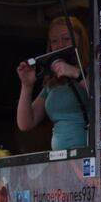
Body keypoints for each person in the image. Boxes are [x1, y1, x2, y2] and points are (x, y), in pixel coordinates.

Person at [15, 15, 91, 152]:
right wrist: (26, 85)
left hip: (87, 154)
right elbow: (26, 123)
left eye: (66, 39)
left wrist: (77, 73)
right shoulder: (53, 82)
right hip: (60, 158)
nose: (60, 45)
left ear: (80, 39)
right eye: (54, 41)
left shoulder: (93, 70)